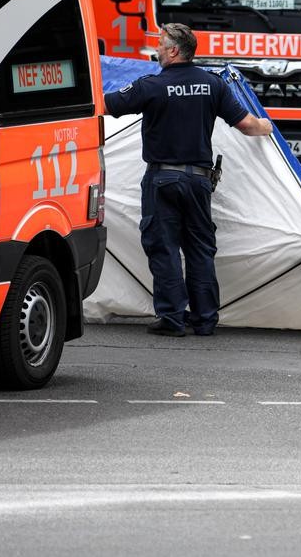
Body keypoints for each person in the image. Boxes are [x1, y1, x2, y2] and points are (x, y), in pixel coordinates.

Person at [103, 23, 273, 337]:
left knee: (164, 247)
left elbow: (105, 105)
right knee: (200, 248)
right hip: (198, 181)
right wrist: (267, 126)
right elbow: (248, 125)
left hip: (162, 179)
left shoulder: (151, 85)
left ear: (174, 51)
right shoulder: (212, 85)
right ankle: (206, 319)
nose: (156, 50)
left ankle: (172, 319)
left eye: (160, 45)